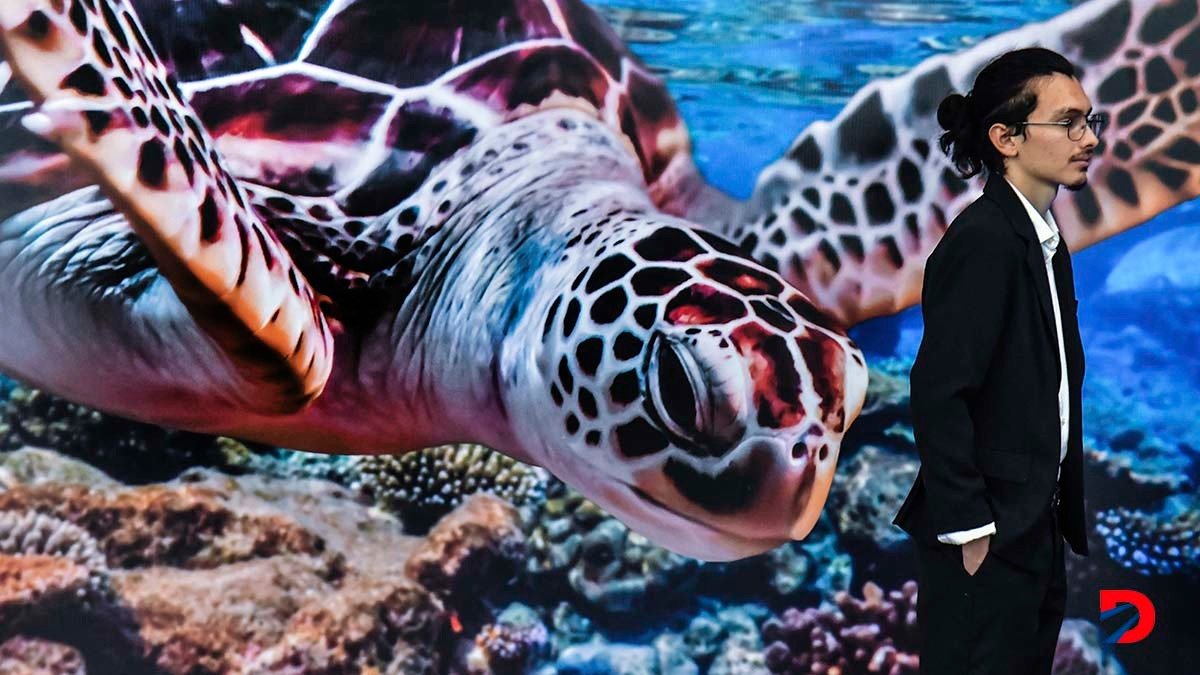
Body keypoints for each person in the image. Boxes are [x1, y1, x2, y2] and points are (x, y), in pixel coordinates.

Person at [891, 47, 1103, 675]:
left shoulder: (1040, 236)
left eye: (1090, 121)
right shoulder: (985, 241)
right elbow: (938, 389)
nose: (1087, 138)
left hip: (1033, 520)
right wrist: (970, 528)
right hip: (988, 533)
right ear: (1005, 138)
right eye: (1068, 122)